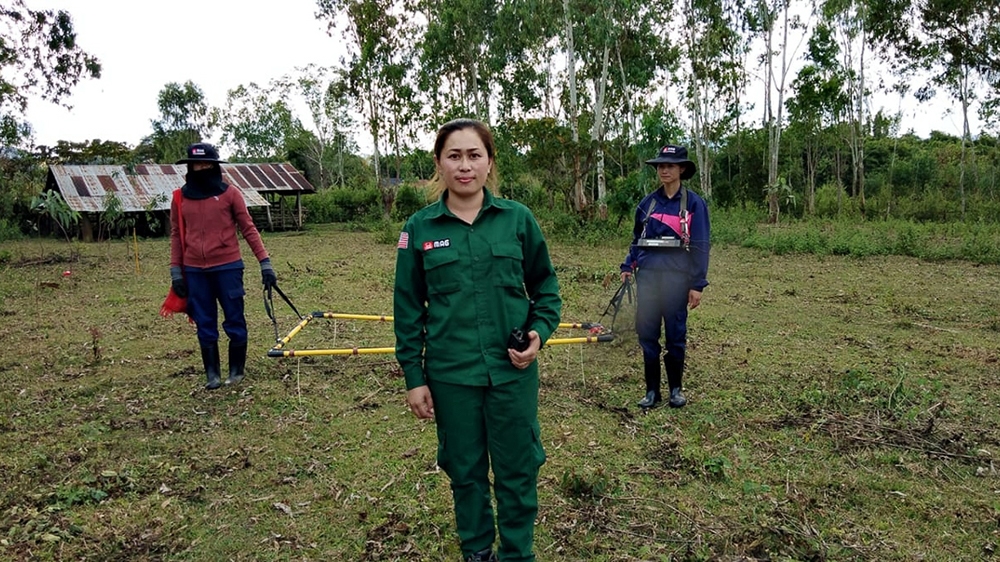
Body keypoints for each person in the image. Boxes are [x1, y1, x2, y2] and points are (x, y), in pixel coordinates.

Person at [393, 119, 562, 562]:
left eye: (474, 155)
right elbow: (408, 309)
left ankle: (517, 553)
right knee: (464, 472)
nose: (464, 166)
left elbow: (546, 290)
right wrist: (414, 377)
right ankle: (476, 551)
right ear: (439, 164)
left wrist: (538, 336)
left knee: (518, 469)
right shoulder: (420, 229)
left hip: (512, 374)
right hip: (452, 376)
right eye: (454, 156)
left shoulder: (518, 221)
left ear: (489, 163)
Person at [169, 142, 278, 390]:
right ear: (190, 167)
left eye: (207, 163)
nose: (202, 168)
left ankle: (236, 371)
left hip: (228, 267)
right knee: (205, 322)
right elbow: (176, 235)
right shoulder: (180, 198)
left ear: (215, 166)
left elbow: (249, 229)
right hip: (195, 271)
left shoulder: (231, 194)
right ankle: (212, 374)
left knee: (234, 319)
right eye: (198, 164)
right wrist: (176, 272)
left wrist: (265, 263)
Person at [620, 144, 710, 409]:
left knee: (675, 335)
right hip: (647, 279)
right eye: (660, 166)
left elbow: (701, 244)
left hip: (676, 281)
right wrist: (628, 266)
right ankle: (651, 391)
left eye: (670, 166)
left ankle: (675, 390)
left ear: (681, 169)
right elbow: (637, 240)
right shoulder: (647, 204)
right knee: (647, 334)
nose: (664, 170)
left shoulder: (694, 204)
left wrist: (697, 284)